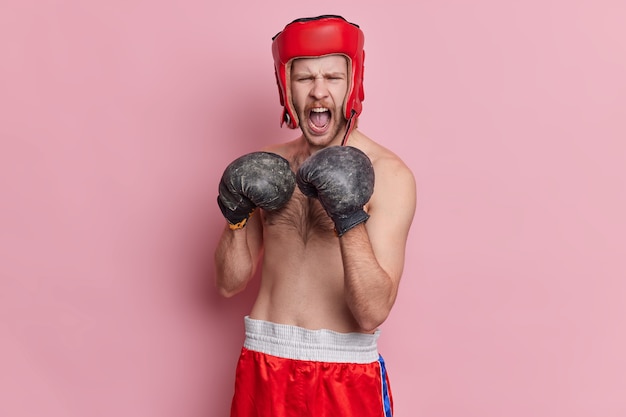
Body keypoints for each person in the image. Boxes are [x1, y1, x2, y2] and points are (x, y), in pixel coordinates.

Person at [214, 15, 416, 417]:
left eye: (332, 78)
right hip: (263, 362)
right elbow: (227, 284)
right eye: (305, 78)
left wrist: (348, 214)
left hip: (343, 372)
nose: (318, 92)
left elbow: (372, 312)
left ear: (353, 84)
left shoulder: (390, 176)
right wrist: (236, 215)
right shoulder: (268, 166)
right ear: (285, 86)